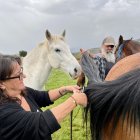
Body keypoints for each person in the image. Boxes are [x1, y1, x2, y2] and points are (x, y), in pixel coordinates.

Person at [0, 55, 87, 140]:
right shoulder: (4, 112)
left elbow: (44, 97)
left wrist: (65, 89)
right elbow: (41, 124)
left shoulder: (23, 92)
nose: (24, 76)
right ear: (2, 84)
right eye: (18, 75)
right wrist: (74, 100)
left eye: (21, 71)